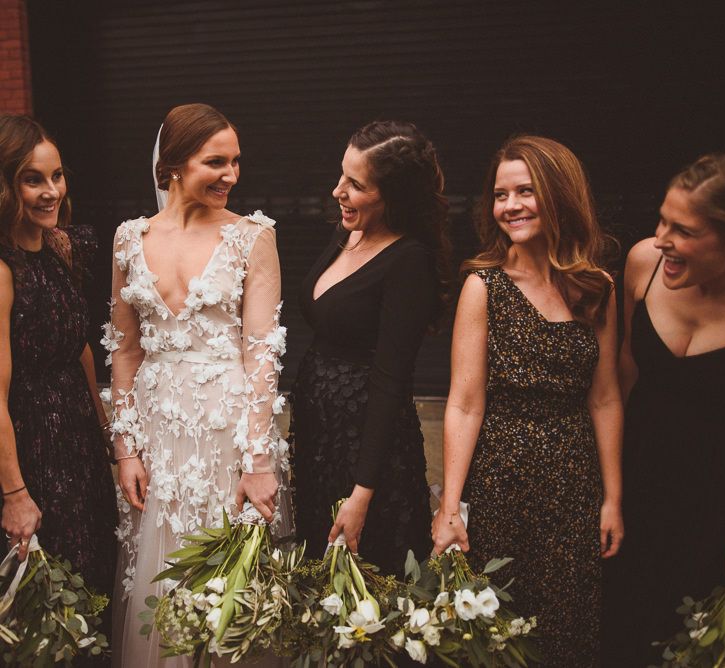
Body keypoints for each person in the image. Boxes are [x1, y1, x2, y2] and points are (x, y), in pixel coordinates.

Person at [107, 103, 291, 666]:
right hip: (158, 431)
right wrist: (125, 449)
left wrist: (257, 461)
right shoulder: (128, 238)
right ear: (174, 165)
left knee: (230, 584)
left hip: (228, 431)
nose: (231, 176)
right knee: (160, 577)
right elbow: (123, 349)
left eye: (236, 162)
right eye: (216, 162)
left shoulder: (252, 237)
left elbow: (262, 353)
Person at [431, 135, 623, 666]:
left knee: (568, 629)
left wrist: (612, 497)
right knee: (499, 632)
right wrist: (450, 506)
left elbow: (605, 398)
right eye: (500, 194)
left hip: (573, 485)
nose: (509, 206)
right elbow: (464, 403)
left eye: (524, 191)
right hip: (500, 483)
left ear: (560, 195)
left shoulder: (595, 287)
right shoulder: (484, 286)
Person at [290, 120, 450, 576]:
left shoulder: (409, 261)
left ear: (393, 197)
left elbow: (389, 381)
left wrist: (362, 494)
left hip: (366, 452)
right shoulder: (349, 232)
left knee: (366, 591)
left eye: (356, 184)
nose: (338, 190)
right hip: (320, 439)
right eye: (342, 175)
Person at [601, 154, 725, 666]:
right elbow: (623, 375)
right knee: (622, 634)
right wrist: (610, 489)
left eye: (682, 229)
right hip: (637, 490)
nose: (660, 239)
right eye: (661, 219)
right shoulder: (642, 264)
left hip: (712, 511)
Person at [0, 115, 118, 645]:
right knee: (45, 608)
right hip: (30, 450)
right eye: (33, 179)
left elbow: (79, 345)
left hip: (79, 443)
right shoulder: (2, 270)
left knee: (92, 580)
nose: (51, 192)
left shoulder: (65, 247)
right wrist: (15, 494)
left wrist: (107, 427)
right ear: (6, 187)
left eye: (57, 176)